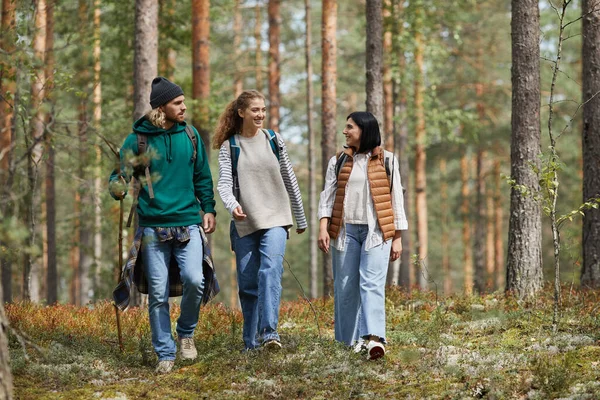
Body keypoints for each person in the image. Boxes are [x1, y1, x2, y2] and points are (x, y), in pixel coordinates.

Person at [109, 77, 217, 374]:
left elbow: (202, 178)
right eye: (177, 103)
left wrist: (208, 208)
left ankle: (186, 334)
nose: (184, 107)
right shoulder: (137, 140)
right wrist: (117, 186)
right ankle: (165, 353)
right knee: (157, 293)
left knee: (195, 280)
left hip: (188, 224)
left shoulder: (191, 136)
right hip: (153, 229)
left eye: (183, 102)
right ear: (161, 107)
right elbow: (118, 176)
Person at [213, 90, 307, 351]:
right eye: (255, 110)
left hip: (276, 217)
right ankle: (250, 343)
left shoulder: (274, 140)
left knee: (270, 270)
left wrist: (299, 217)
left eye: (263, 110)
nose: (261, 114)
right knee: (248, 285)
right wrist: (232, 206)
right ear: (241, 112)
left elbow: (289, 176)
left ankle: (269, 334)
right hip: (245, 222)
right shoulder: (230, 146)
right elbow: (223, 184)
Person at [317, 111, 408, 360]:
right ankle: (345, 343)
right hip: (345, 232)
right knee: (345, 288)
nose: (345, 131)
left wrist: (397, 236)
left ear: (364, 130)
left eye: (350, 127)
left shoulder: (387, 160)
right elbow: (327, 196)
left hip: (377, 232)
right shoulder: (338, 161)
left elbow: (396, 199)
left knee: (371, 284)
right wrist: (323, 226)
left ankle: (374, 339)